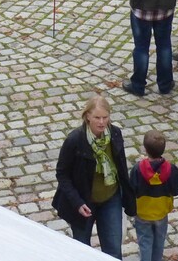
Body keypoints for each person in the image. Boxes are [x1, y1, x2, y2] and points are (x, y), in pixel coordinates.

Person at [52, 95, 136, 257]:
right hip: (84, 201)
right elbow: (62, 174)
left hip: (110, 198)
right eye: (97, 117)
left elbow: (121, 169)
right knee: (83, 252)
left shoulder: (115, 134)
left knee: (113, 251)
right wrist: (77, 202)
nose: (102, 122)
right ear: (87, 116)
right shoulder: (75, 140)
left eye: (105, 117)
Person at [129, 129, 178, 261]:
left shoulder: (138, 168)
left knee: (145, 242)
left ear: (145, 149)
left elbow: (131, 189)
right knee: (159, 241)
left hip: (143, 213)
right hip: (161, 212)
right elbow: (177, 189)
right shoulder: (170, 169)